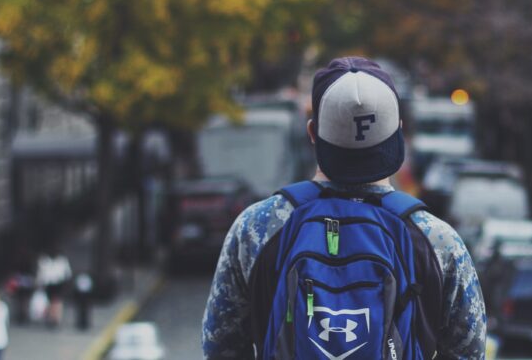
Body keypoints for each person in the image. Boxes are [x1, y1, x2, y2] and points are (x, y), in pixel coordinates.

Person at [202, 57, 486, 359]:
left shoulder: (256, 228)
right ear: (399, 133)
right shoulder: (437, 241)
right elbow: (469, 352)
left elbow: (219, 347)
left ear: (312, 133)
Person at [36, 246, 71, 327]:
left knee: (57, 301)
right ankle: (51, 317)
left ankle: (55, 318)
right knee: (50, 301)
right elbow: (41, 274)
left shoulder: (62, 261)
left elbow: (67, 274)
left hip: (59, 283)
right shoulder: (44, 260)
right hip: (48, 284)